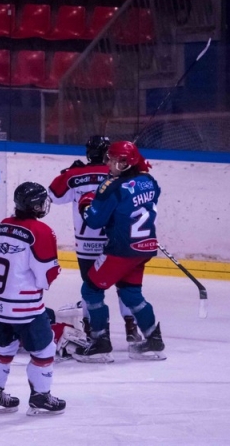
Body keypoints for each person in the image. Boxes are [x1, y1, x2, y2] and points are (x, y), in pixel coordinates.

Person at [0, 182, 66, 416]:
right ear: (36, 205)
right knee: (45, 349)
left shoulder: (2, 226)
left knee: (2, 348)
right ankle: (40, 398)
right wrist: (55, 272)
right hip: (26, 309)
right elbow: (45, 277)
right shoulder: (41, 231)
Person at [75, 140, 166, 362]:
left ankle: (100, 343)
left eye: (113, 160)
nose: (108, 163)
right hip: (143, 247)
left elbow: (95, 221)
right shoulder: (150, 181)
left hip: (120, 250)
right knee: (130, 293)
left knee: (91, 290)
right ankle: (154, 340)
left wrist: (86, 205)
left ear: (126, 163)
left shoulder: (112, 187)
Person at [48, 135, 142, 345]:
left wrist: (67, 173)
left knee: (91, 289)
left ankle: (95, 332)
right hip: (116, 244)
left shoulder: (74, 175)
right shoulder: (121, 176)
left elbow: (51, 195)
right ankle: (131, 328)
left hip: (86, 245)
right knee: (125, 286)